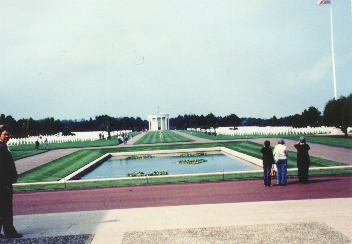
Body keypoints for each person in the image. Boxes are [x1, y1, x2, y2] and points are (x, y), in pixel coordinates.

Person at [0, 125, 22, 238]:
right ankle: (9, 231)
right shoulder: (1, 148)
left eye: (8, 134)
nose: (7, 137)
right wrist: (8, 183)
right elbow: (3, 169)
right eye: (5, 134)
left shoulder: (2, 146)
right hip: (3, 184)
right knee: (6, 208)